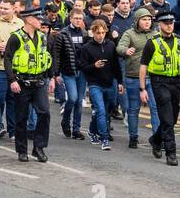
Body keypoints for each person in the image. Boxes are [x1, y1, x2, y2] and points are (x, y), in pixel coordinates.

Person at [139, 11, 180, 166]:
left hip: (175, 82)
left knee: (173, 118)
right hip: (159, 82)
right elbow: (143, 67)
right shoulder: (152, 43)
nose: (169, 26)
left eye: (171, 23)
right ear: (160, 25)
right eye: (166, 23)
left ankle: (156, 139)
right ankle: (171, 153)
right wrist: (142, 88)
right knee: (167, 118)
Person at [3, 8, 54, 162]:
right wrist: (12, 80)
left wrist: (51, 78)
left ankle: (38, 147)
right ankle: (22, 150)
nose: (42, 21)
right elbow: (7, 59)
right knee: (21, 117)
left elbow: (47, 57)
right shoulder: (16, 38)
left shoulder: (43, 37)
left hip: (39, 82)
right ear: (29, 20)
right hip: (21, 82)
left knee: (44, 113)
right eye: (39, 19)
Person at [116, 8, 159, 148]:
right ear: (137, 21)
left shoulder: (156, 34)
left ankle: (157, 138)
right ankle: (133, 137)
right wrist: (125, 50)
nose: (147, 22)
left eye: (149, 19)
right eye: (144, 19)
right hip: (133, 76)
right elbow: (119, 47)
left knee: (155, 108)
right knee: (134, 109)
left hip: (153, 77)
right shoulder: (130, 34)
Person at [78, 19, 120, 149]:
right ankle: (104, 139)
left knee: (105, 111)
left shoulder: (111, 46)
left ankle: (92, 130)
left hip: (109, 83)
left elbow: (116, 65)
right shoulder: (86, 48)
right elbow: (82, 67)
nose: (100, 35)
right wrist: (94, 66)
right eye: (98, 33)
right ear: (93, 33)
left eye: (102, 32)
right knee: (101, 111)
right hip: (95, 84)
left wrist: (120, 82)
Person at [0, 0, 23, 138]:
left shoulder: (20, 23)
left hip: (15, 68)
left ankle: (13, 131)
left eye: (6, 8)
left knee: (13, 100)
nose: (2, 10)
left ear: (14, 9)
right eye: (1, 7)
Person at [53, 8, 88, 141]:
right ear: (70, 18)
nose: (78, 21)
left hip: (82, 71)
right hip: (68, 71)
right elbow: (56, 55)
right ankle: (65, 121)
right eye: (76, 18)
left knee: (79, 101)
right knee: (72, 98)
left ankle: (76, 129)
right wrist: (56, 74)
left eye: (80, 18)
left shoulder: (85, 34)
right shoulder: (62, 34)